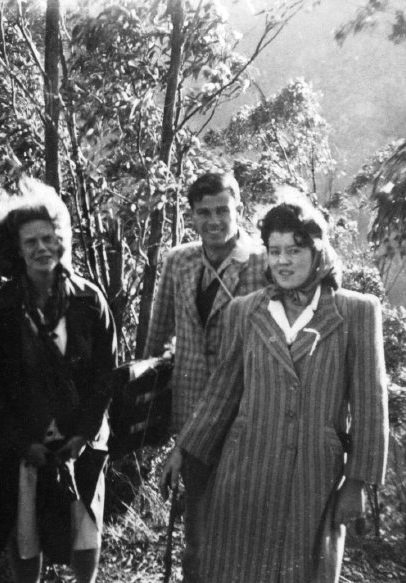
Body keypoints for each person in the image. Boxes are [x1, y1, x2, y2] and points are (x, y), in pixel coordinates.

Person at [159, 198, 389, 582]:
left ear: (318, 253)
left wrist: (358, 482)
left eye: (295, 250)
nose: (283, 261)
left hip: (314, 475)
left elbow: (370, 406)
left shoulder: (356, 312)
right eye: (275, 250)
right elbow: (223, 392)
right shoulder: (246, 310)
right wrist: (185, 447)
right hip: (246, 470)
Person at [0, 177, 117, 583]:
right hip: (26, 441)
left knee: (85, 526)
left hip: (81, 438)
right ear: (16, 250)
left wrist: (84, 434)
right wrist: (22, 443)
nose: (41, 248)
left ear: (61, 241)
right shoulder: (0, 309)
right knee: (26, 533)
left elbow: (105, 375)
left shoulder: (89, 299)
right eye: (30, 242)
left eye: (48, 238)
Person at [142, 172, 268, 580]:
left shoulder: (264, 263)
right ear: (192, 216)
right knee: (196, 540)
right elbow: (157, 333)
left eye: (222, 210)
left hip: (246, 417)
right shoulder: (180, 260)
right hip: (193, 418)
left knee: (241, 530)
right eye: (203, 212)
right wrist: (143, 405)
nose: (213, 220)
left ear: (239, 210)